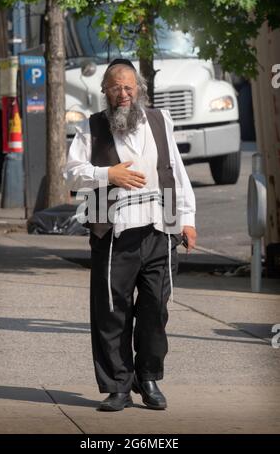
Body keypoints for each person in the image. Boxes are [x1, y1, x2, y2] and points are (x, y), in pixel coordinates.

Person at [64, 58, 196, 411]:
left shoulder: (160, 119)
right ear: (104, 91)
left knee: (156, 309)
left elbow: (176, 171)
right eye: (115, 87)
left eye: (128, 86)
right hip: (114, 231)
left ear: (138, 89)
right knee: (112, 311)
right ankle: (118, 386)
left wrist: (188, 218)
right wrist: (109, 175)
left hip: (161, 227)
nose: (122, 93)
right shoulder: (92, 127)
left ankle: (147, 376)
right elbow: (72, 175)